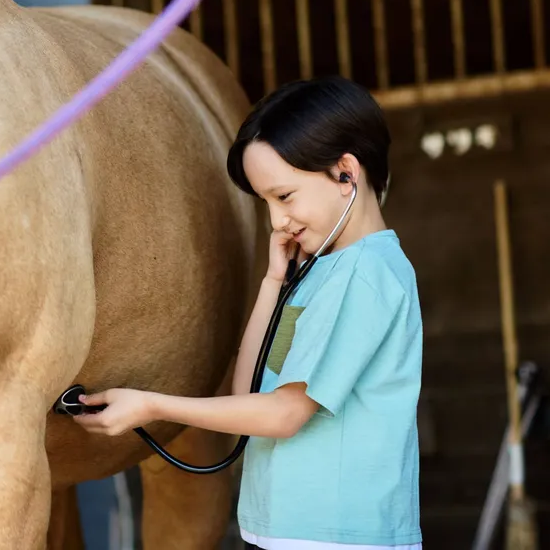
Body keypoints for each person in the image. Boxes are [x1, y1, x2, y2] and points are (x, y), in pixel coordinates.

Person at [74, 76, 423, 549]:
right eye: (266, 203)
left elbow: (284, 414)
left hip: (339, 537)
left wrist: (151, 405)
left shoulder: (367, 274)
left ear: (346, 172)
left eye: (284, 196)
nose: (278, 221)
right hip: (281, 531)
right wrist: (272, 282)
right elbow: (252, 390)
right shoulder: (318, 272)